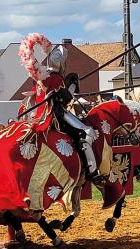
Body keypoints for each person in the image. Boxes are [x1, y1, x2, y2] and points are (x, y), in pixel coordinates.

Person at [32, 45, 103, 182]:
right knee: (87, 132)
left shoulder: (42, 77)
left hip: (39, 116)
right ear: (61, 64)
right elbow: (66, 99)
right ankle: (92, 171)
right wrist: (72, 86)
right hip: (56, 114)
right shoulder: (56, 78)